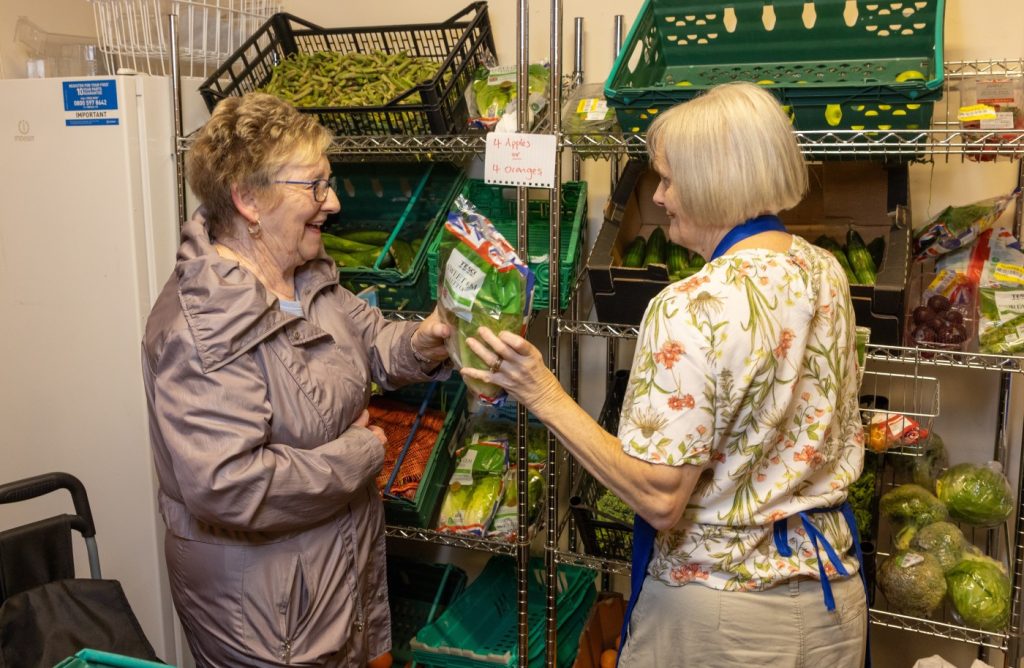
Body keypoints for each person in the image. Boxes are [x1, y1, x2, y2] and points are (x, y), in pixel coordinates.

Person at [462, 82, 867, 667]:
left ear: (713, 181)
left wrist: (542, 392)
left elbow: (659, 498)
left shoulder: (690, 304)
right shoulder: (824, 271)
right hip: (831, 598)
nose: (657, 198)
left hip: (723, 622)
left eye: (670, 179)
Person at [141, 92, 451, 667]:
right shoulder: (201, 325)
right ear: (249, 200)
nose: (330, 202)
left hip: (333, 576)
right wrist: (358, 454)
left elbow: (371, 341)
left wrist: (425, 338)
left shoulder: (305, 275)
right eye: (313, 185)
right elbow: (230, 483)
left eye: (327, 182)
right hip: (267, 610)